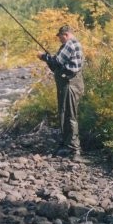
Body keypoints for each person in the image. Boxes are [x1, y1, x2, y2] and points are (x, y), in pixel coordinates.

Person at [37, 24, 84, 158]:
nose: (59, 39)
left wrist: (43, 57)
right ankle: (66, 145)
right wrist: (48, 59)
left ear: (66, 35)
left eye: (60, 37)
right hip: (67, 84)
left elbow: (57, 61)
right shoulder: (69, 45)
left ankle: (75, 149)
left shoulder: (70, 44)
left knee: (70, 116)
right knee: (64, 114)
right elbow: (56, 66)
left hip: (70, 84)